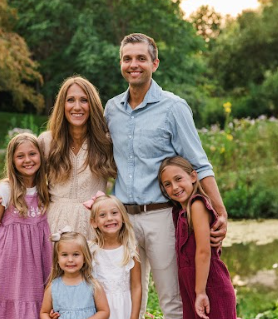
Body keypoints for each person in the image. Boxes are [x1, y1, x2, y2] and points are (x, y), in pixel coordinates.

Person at [104, 33, 228, 318]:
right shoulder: (111, 109)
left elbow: (200, 164)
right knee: (126, 299)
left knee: (171, 300)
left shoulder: (173, 107)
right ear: (121, 63)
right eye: (127, 59)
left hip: (162, 218)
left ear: (155, 63)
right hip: (122, 220)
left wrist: (219, 211)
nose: (133, 64)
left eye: (141, 59)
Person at [0, 76, 116, 239]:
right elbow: (24, 174)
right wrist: (1, 190)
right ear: (62, 105)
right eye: (70, 100)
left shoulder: (106, 142)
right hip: (55, 225)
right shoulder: (47, 141)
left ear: (93, 105)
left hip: (95, 223)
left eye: (84, 100)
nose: (77, 106)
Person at [0, 133, 52, 319]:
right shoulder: (6, 190)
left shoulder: (46, 190)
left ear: (41, 155)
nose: (27, 160)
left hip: (35, 271)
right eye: (20, 156)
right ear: (12, 160)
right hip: (5, 270)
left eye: (32, 154)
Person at [158, 156, 237, 319]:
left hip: (210, 285)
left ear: (193, 176)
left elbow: (203, 252)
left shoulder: (197, 205)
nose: (174, 187)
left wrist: (200, 292)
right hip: (192, 287)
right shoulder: (179, 213)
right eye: (167, 184)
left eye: (178, 179)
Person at [83, 191, 142, 319]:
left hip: (124, 309)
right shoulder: (90, 249)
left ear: (123, 217)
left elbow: (136, 286)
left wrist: (134, 316)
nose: (109, 218)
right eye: (102, 215)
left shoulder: (130, 249)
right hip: (98, 309)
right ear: (94, 222)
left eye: (114, 213)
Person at [40, 228, 110, 319]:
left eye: (76, 254)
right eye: (64, 255)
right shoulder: (53, 287)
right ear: (57, 258)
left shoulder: (93, 285)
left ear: (84, 258)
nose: (70, 260)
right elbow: (44, 312)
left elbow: (104, 311)